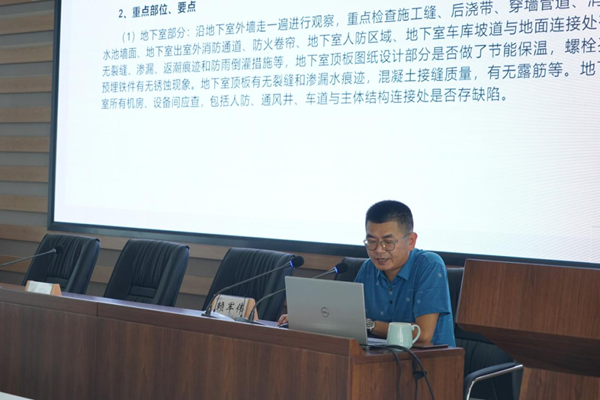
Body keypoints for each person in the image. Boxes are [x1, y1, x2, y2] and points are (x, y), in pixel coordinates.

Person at [278, 200, 455, 346]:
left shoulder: (429, 265)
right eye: (371, 242)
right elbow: (347, 319)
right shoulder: (368, 268)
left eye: (388, 242)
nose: (378, 250)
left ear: (411, 241)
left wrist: (369, 325)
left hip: (429, 364)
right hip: (379, 359)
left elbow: (422, 335)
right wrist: (307, 319)